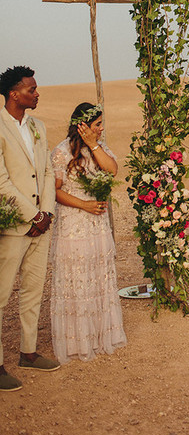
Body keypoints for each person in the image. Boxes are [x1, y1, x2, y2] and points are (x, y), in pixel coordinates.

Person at [50, 102, 126, 363]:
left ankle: (98, 335)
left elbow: (112, 170)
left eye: (101, 124)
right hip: (74, 222)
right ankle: (77, 341)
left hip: (97, 223)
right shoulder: (61, 152)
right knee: (77, 279)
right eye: (97, 125)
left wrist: (93, 145)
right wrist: (84, 204)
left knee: (98, 276)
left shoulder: (99, 148)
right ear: (82, 126)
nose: (101, 129)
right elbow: (55, 191)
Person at [0, 65, 59, 392]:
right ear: (14, 94)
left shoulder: (38, 125)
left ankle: (29, 352)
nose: (37, 94)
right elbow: (1, 181)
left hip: (41, 224)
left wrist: (46, 212)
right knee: (1, 294)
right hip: (13, 224)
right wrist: (32, 215)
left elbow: (47, 172)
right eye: (31, 89)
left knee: (34, 291)